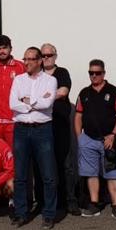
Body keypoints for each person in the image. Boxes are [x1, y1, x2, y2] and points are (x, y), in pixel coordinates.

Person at [9, 46, 58, 229]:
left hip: (42, 130)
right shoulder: (19, 80)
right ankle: (21, 213)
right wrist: (32, 103)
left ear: (39, 61)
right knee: (20, 175)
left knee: (48, 175)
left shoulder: (50, 81)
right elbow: (12, 103)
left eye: (31, 59)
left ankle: (49, 214)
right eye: (25, 59)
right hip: (21, 130)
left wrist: (27, 101)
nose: (27, 62)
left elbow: (47, 103)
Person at [75, 59, 116, 219]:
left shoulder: (114, 91)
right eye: (91, 73)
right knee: (91, 174)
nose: (94, 76)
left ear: (104, 73)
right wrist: (79, 138)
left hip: (109, 140)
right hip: (89, 139)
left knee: (112, 174)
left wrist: (113, 135)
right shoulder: (84, 93)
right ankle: (94, 205)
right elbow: (78, 116)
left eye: (98, 73)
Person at [41, 43, 80, 216]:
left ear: (55, 56)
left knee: (67, 164)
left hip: (61, 124)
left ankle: (70, 201)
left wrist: (42, 97)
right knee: (47, 166)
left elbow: (63, 92)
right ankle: (50, 202)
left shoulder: (62, 72)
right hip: (43, 125)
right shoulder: (36, 74)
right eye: (43, 55)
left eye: (49, 55)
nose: (46, 58)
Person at [0, 35, 26, 147]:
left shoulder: (20, 67)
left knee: (13, 155)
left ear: (10, 48)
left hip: (13, 120)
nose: (2, 51)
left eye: (4, 48)